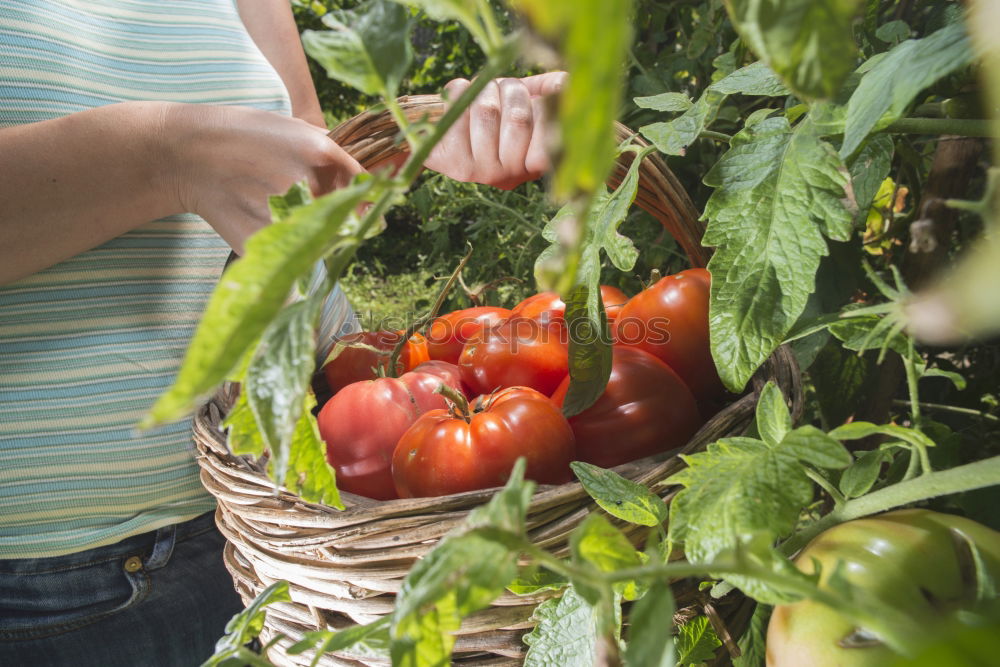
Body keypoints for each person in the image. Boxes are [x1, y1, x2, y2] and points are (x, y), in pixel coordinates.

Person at [0, 1, 564, 664]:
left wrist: (428, 133)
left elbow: (305, 176)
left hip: (295, 526)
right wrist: (166, 155)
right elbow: (207, 158)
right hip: (56, 589)